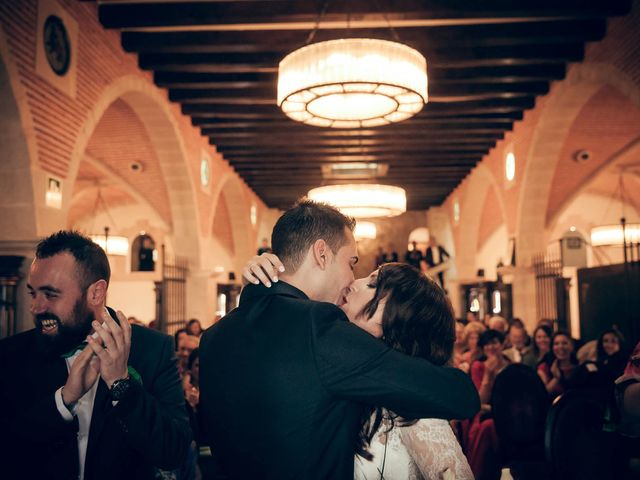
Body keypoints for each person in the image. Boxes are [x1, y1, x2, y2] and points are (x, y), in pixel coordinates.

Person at [199, 200, 479, 479]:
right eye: (351, 262)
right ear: (321, 254)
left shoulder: (214, 337)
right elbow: (460, 396)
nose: (352, 279)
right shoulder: (318, 327)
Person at [0, 230, 190, 479]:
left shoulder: (152, 349)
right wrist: (64, 400)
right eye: (33, 293)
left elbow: (172, 451)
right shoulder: (11, 354)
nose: (36, 307)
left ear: (96, 293)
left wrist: (121, 384)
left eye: (50, 294)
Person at [538, 331, 578, 398]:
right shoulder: (544, 368)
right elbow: (542, 395)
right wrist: (556, 378)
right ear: (552, 348)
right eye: (556, 344)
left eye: (564, 343)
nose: (561, 347)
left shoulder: (579, 368)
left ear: (572, 347)